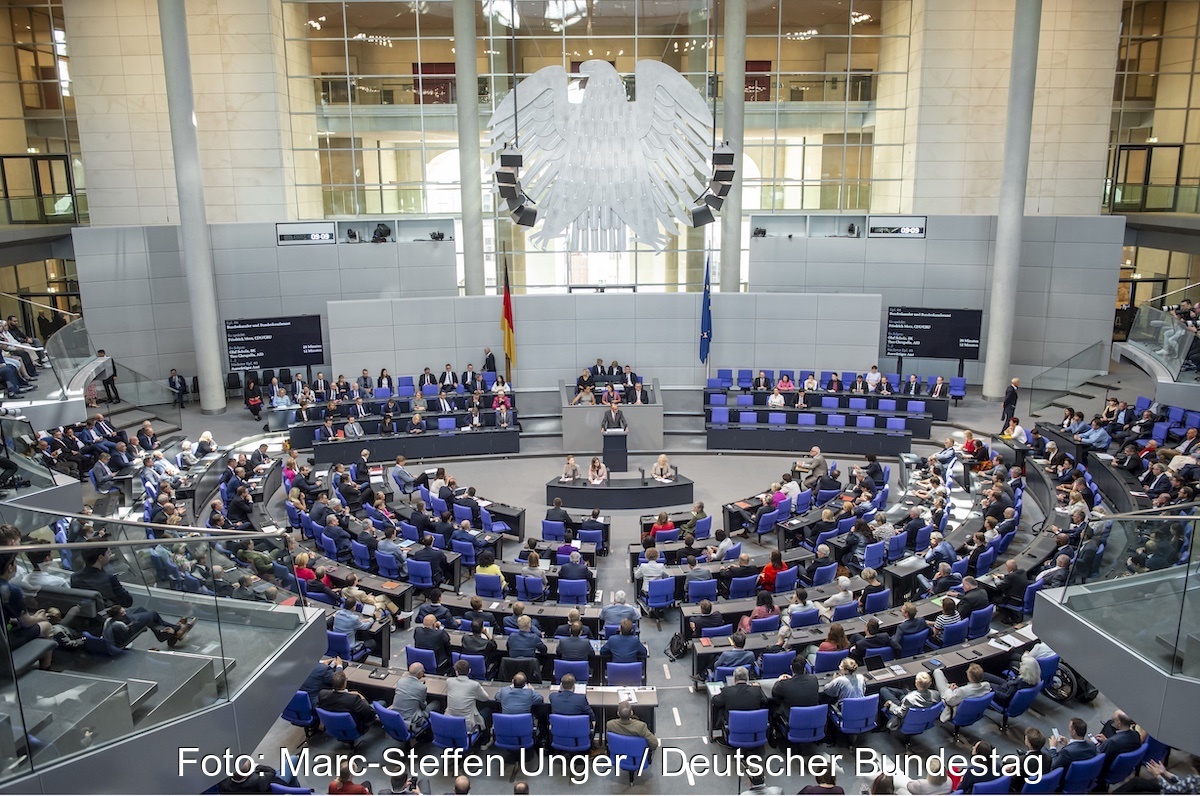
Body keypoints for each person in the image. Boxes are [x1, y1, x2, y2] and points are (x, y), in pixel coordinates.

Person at [318, 670, 375, 735]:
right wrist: (361, 696)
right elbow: (368, 711)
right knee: (381, 703)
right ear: (345, 683)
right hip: (354, 727)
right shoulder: (353, 699)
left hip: (334, 725)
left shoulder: (322, 694)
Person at [711, 666, 766, 730]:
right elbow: (765, 701)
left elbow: (714, 700)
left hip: (733, 725)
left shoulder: (727, 691)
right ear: (747, 678)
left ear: (734, 679)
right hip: (753, 726)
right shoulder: (756, 690)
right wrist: (759, 688)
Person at [390, 663, 430, 735]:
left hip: (396, 716)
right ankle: (428, 736)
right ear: (420, 673)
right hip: (410, 721)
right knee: (436, 704)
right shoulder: (422, 687)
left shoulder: (400, 681)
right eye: (423, 671)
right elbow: (423, 706)